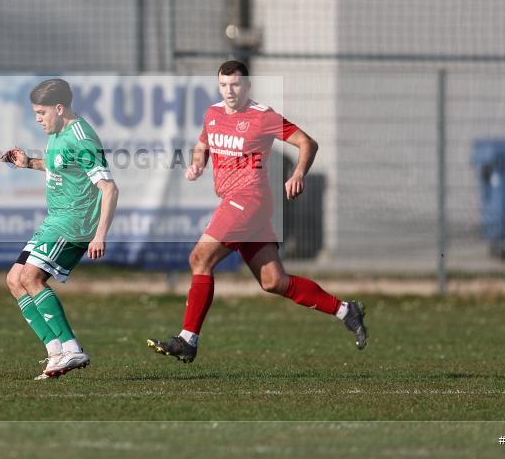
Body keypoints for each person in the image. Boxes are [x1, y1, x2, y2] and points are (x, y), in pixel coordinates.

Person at [147, 61, 367, 363]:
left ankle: (188, 339)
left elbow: (307, 142)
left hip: (248, 200)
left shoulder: (262, 117)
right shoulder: (213, 114)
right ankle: (346, 310)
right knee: (273, 281)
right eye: (223, 85)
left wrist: (299, 173)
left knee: (199, 258)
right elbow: (203, 145)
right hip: (242, 205)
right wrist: (198, 163)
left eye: (235, 85)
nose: (229, 91)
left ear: (247, 86)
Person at [0, 78, 118, 379]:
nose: (38, 119)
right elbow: (60, 165)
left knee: (31, 277)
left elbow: (109, 188)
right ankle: (56, 351)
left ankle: (72, 349)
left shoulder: (81, 137)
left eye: (41, 113)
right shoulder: (57, 132)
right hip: (55, 219)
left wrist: (100, 234)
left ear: (60, 108)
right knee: (14, 279)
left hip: (75, 222)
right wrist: (28, 163)